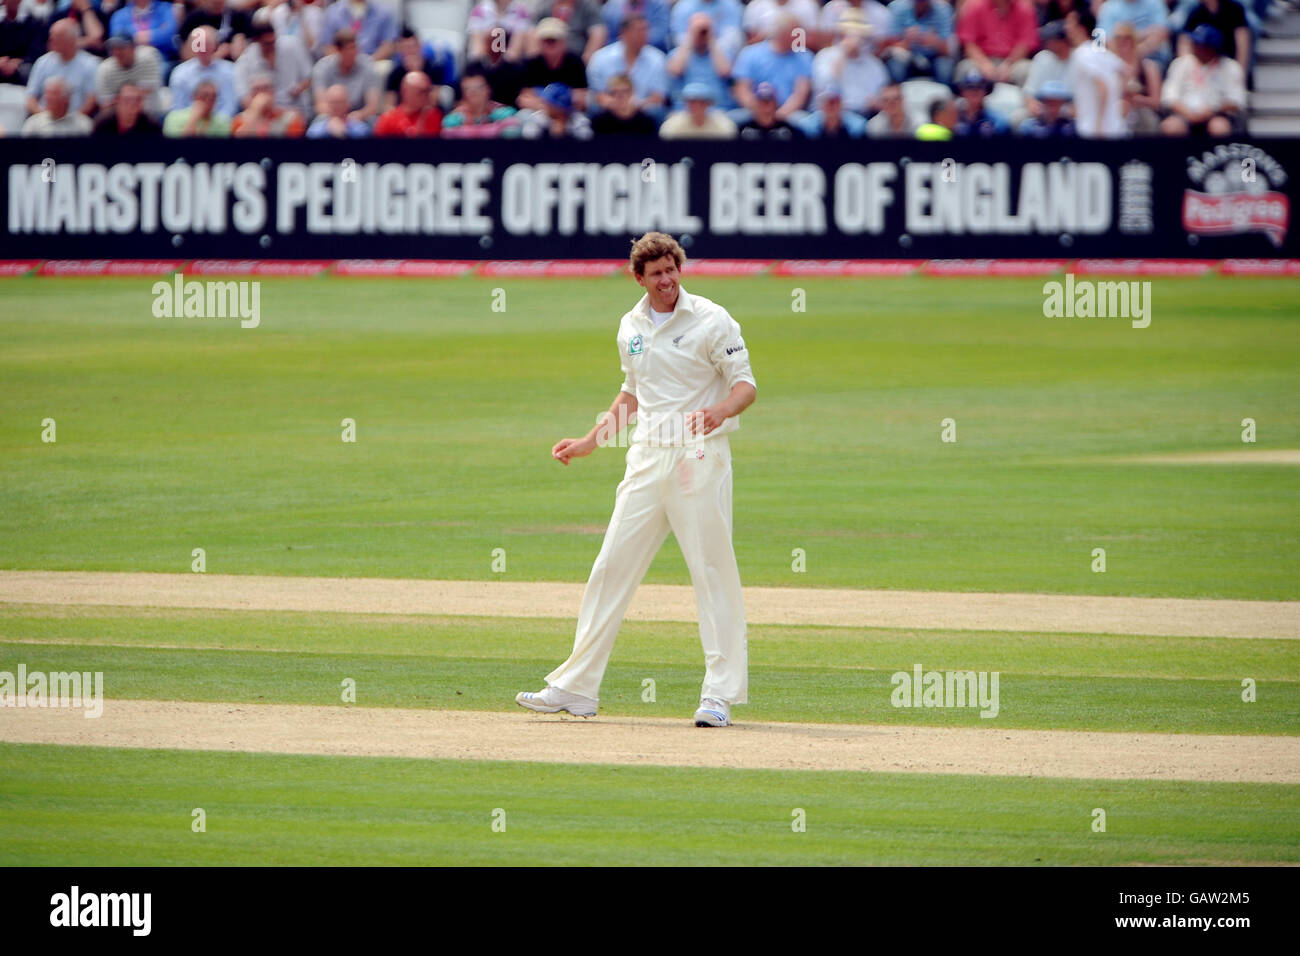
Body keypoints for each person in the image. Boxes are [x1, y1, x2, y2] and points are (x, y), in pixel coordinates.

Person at [517, 232, 757, 729]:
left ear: (679, 268)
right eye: (657, 274)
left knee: (711, 572)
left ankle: (720, 694)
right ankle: (577, 686)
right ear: (639, 278)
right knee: (610, 567)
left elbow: (745, 385)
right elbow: (631, 394)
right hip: (646, 457)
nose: (667, 280)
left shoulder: (712, 318)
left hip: (698, 455)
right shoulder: (631, 325)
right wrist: (589, 441)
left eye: (672, 269)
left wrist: (721, 410)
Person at [1160, 23, 1245, 136]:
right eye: (1194, 43)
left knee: (1219, 127)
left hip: (1216, 114)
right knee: (1171, 127)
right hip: (1185, 113)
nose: (1194, 47)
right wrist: (1189, 113)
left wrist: (1213, 110)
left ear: (1211, 48)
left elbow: (1236, 101)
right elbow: (1169, 97)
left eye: (1198, 44)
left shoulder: (1231, 67)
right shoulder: (1180, 63)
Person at [731, 14, 812, 122]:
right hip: (755, 111)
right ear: (781, 33)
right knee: (732, 120)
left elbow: (800, 94)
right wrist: (760, 112)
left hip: (788, 113)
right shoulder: (749, 54)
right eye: (795, 33)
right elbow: (742, 89)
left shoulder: (804, 57)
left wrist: (780, 115)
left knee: (804, 122)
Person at [811, 9, 887, 116]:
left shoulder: (874, 63)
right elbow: (824, 85)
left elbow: (883, 93)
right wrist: (843, 54)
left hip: (865, 113)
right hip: (832, 114)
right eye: (849, 36)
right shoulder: (825, 56)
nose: (856, 41)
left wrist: (875, 102)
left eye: (860, 37)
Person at [587, 13, 668, 113]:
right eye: (639, 30)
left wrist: (634, 107)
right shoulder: (601, 58)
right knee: (595, 109)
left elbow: (658, 97)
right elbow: (597, 94)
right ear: (624, 33)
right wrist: (616, 105)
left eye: (646, 29)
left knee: (657, 112)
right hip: (610, 110)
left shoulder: (657, 58)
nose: (644, 34)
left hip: (642, 111)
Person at [1065, 8, 1126, 138]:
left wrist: (1099, 124)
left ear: (1081, 28)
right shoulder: (1101, 52)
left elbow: (1102, 86)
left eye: (1070, 23)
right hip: (1116, 128)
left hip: (1094, 131)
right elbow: (1126, 71)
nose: (1066, 27)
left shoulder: (1081, 54)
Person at [235, 21, 312, 115]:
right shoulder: (245, 61)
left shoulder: (293, 45)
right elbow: (245, 99)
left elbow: (309, 77)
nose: (272, 46)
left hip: (296, 110)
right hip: (264, 115)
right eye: (267, 43)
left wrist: (299, 87)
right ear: (256, 41)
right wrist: (273, 112)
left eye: (273, 41)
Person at [25, 17, 98, 116]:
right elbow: (30, 98)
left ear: (71, 40)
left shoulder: (90, 64)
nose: (51, 40)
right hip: (44, 119)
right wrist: (43, 117)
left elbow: (91, 100)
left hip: (75, 121)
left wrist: (70, 121)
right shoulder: (42, 62)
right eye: (51, 36)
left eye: (56, 37)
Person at [955, 0, 1038, 86]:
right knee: (965, 68)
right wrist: (984, 64)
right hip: (982, 60)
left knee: (1027, 70)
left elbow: (1025, 43)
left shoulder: (1024, 7)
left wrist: (1008, 65)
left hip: (1013, 62)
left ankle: (1026, 99)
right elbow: (969, 43)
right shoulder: (975, 5)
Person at [519, 16, 588, 111]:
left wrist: (545, 103)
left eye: (553, 40)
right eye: (545, 40)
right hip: (538, 112)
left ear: (564, 41)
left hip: (568, 114)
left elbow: (581, 98)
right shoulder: (530, 64)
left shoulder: (575, 63)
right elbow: (524, 99)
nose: (549, 44)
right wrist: (552, 107)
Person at [666, 10, 733, 108]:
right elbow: (676, 70)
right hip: (685, 111)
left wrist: (711, 40)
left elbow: (725, 72)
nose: (701, 33)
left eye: (705, 30)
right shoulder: (677, 53)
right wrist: (690, 38)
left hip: (718, 110)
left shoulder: (723, 53)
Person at [311, 27, 378, 124]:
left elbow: (372, 106)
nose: (353, 53)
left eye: (355, 48)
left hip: (359, 117)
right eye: (349, 49)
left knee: (373, 121)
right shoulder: (322, 68)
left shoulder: (368, 65)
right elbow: (321, 106)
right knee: (319, 122)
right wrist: (339, 119)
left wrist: (358, 115)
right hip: (331, 117)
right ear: (338, 51)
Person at [169, 25, 238, 117]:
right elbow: (179, 108)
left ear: (215, 45)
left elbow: (230, 106)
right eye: (198, 44)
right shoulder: (180, 73)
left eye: (206, 44)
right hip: (189, 124)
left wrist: (215, 125)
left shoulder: (230, 71)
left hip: (222, 126)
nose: (202, 48)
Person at [885, 0, 955, 85]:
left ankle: (944, 95)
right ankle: (898, 95)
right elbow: (888, 46)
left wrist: (934, 42)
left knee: (945, 67)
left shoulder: (943, 9)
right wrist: (907, 41)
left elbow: (948, 51)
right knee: (895, 65)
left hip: (933, 57)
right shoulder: (896, 7)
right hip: (907, 56)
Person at [439, 63, 518, 137]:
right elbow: (447, 134)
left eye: (478, 88)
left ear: (488, 89)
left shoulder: (504, 113)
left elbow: (512, 132)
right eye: (468, 89)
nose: (473, 93)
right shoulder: (454, 119)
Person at [95, 32, 161, 115]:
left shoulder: (147, 59)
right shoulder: (105, 69)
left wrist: (120, 99)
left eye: (121, 47)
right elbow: (105, 104)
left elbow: (146, 94)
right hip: (118, 118)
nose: (117, 52)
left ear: (133, 48)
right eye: (114, 48)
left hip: (149, 114)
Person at [318, 0, 397, 60]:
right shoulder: (332, 12)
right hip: (340, 64)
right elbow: (327, 46)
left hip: (373, 62)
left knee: (385, 68)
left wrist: (368, 63)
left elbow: (389, 45)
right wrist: (343, 63)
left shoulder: (384, 13)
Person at [233, 70, 305, 135]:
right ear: (251, 95)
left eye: (266, 88)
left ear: (273, 92)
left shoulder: (291, 119)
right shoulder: (240, 120)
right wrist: (255, 114)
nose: (262, 93)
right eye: (257, 89)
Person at [532, 0, 607, 63]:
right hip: (548, 58)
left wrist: (584, 62)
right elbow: (532, 32)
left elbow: (598, 32)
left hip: (579, 58)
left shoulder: (588, 6)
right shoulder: (544, 6)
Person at [373, 68, 441, 135]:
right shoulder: (388, 119)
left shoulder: (433, 116)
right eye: (422, 91)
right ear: (405, 91)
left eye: (428, 91)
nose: (426, 95)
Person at [658, 79, 737, 137]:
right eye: (691, 102)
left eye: (701, 103)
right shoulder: (672, 125)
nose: (696, 107)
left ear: (708, 104)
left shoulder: (723, 125)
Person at [518, 79, 592, 137]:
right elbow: (529, 148)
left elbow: (587, 146)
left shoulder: (579, 121)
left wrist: (564, 131)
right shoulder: (536, 120)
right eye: (546, 103)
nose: (546, 105)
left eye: (551, 104)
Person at [0, 0, 49, 87]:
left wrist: (20, 62)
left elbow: (36, 50)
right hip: (1, 64)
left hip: (22, 65)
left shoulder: (33, 22)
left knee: (27, 71)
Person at [21, 74, 91, 133]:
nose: (47, 98)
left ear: (65, 98)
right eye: (46, 94)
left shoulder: (83, 124)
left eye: (52, 94)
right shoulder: (33, 124)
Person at [591, 71, 658, 132]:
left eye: (625, 91)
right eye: (615, 92)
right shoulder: (600, 122)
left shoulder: (646, 122)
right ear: (609, 94)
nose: (620, 96)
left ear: (632, 92)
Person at [162, 78, 232, 135]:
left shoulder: (223, 122)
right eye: (204, 96)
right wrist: (194, 119)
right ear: (193, 97)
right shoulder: (174, 117)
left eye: (213, 97)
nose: (208, 101)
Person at [737, 78, 803, 137]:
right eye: (761, 102)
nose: (764, 107)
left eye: (768, 102)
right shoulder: (744, 130)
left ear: (775, 104)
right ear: (755, 104)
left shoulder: (788, 131)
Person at [953, 68, 1008, 135]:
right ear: (962, 92)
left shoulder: (996, 120)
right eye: (969, 88)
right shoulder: (954, 118)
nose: (974, 92)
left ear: (985, 92)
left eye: (978, 88)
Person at [93, 80, 161, 134]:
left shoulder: (151, 126)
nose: (132, 105)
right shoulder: (103, 125)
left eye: (137, 100)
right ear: (117, 102)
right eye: (127, 100)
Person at [797, 85, 865, 137]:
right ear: (820, 105)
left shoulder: (857, 125)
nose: (831, 105)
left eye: (835, 101)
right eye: (827, 102)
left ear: (842, 104)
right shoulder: (807, 126)